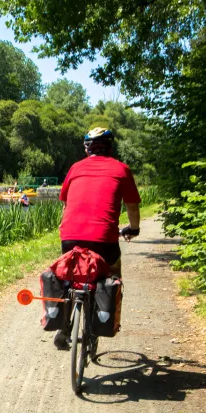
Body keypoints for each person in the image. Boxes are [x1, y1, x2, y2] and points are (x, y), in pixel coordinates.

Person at [53, 127, 141, 349]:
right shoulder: (122, 169)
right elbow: (132, 206)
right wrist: (134, 228)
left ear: (86, 149)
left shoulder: (75, 168)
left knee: (71, 275)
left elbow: (65, 203)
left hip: (70, 235)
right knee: (111, 273)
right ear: (110, 148)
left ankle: (64, 326)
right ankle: (101, 318)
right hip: (104, 239)